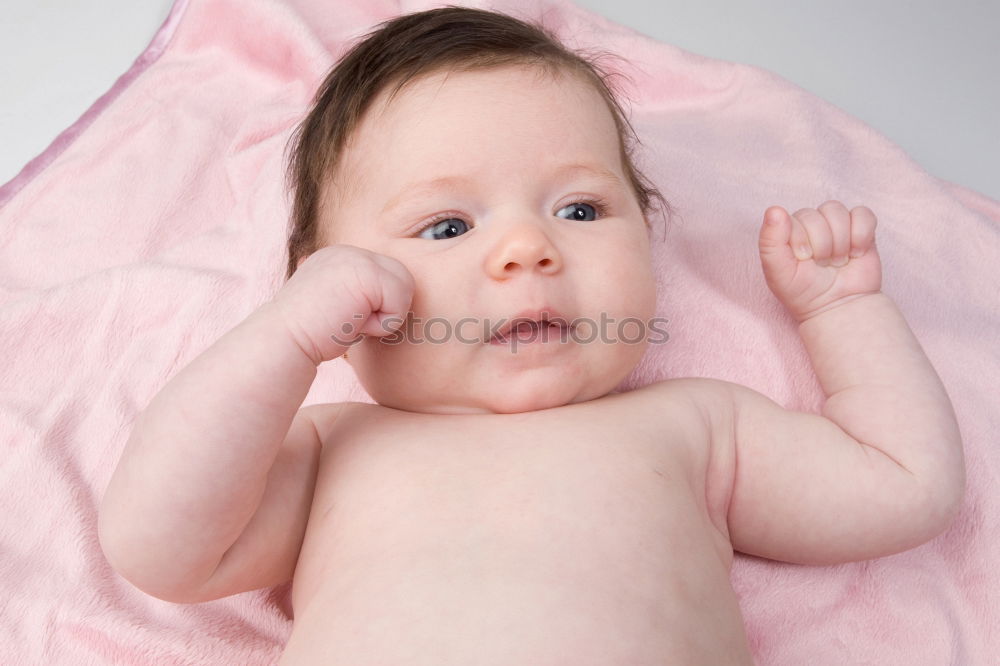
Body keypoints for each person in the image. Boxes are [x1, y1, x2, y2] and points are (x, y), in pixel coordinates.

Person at [98, 7, 966, 663]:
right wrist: (281, 341)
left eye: (580, 208)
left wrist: (843, 313)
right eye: (446, 227)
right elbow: (160, 547)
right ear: (327, 286)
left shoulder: (697, 427)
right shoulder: (331, 448)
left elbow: (903, 485)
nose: (527, 249)